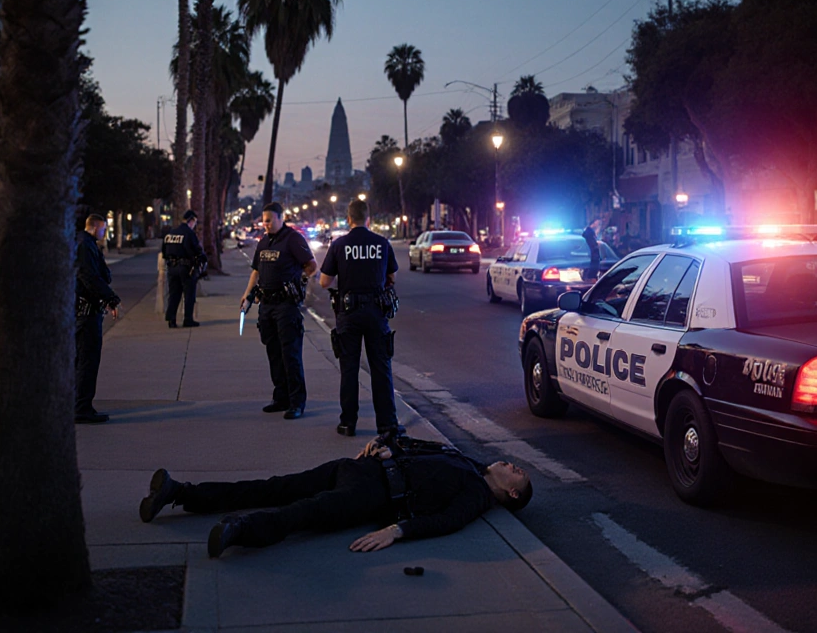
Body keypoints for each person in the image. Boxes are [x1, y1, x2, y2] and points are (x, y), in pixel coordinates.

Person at [138, 433, 533, 558]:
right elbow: (416, 443)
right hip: (361, 468)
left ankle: (239, 531)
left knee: (305, 511)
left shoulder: (476, 496)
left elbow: (446, 522)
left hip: (374, 494)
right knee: (274, 486)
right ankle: (180, 493)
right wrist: (386, 443)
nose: (513, 464)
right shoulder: (466, 460)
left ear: (511, 493)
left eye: (518, 473)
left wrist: (398, 531)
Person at [318, 199, 400, 438]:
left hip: (348, 313)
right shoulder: (382, 243)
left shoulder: (339, 244)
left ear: (348, 219)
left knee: (349, 370)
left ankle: (348, 423)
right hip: (376, 312)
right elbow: (392, 276)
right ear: (368, 218)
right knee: (381, 369)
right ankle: (387, 424)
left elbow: (324, 282)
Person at [240, 202, 317, 419]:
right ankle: (280, 397)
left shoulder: (292, 239)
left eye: (270, 219)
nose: (266, 223)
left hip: (286, 306)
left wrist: (299, 282)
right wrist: (247, 294)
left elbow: (311, 266)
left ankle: (296, 402)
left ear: (280, 218)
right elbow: (256, 271)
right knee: (273, 352)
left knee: (290, 354)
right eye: (264, 220)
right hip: (266, 305)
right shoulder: (263, 241)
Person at [75, 213, 120, 424]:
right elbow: (89, 277)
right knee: (88, 360)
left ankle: (79, 404)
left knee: (82, 360)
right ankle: (82, 408)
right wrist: (110, 297)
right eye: (103, 229)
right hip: (87, 312)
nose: (105, 233)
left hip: (85, 310)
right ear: (95, 227)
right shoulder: (86, 246)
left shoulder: (86, 243)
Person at [162, 209, 208, 328]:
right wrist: (201, 260)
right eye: (195, 222)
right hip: (186, 267)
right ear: (191, 220)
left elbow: (164, 251)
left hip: (172, 267)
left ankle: (171, 319)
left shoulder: (171, 233)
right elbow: (197, 251)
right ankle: (188, 319)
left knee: (173, 294)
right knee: (188, 294)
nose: (194, 225)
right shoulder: (189, 233)